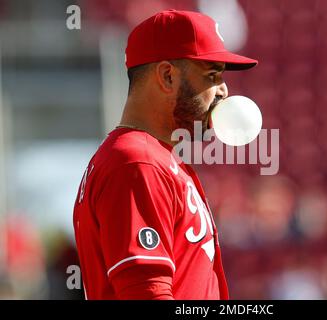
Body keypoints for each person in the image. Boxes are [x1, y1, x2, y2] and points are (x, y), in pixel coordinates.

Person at [73, 9, 257, 300]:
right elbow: (147, 293)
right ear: (168, 76)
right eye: (212, 75)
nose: (224, 89)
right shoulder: (137, 161)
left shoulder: (154, 157)